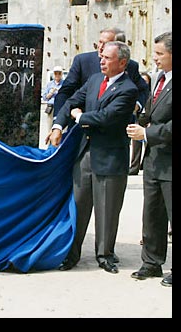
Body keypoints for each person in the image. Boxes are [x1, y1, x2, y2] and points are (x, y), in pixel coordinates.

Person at [45, 41, 138, 274]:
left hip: (109, 158)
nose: (101, 61)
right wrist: (58, 125)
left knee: (107, 209)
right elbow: (71, 101)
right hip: (85, 154)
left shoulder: (128, 89)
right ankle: (71, 253)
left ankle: (105, 255)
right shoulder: (95, 79)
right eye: (102, 57)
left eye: (107, 58)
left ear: (122, 62)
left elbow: (106, 118)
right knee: (78, 205)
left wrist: (80, 117)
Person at [126, 31, 172, 287]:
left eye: (160, 54)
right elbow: (154, 113)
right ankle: (152, 262)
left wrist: (148, 132)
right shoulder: (159, 80)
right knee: (152, 213)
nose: (154, 58)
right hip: (154, 160)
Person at [53, 27, 149, 119]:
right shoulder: (82, 61)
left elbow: (143, 89)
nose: (101, 47)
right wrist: (58, 121)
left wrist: (136, 105)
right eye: (100, 42)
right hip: (81, 125)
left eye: (106, 43)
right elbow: (65, 92)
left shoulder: (130, 65)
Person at [128, 72, 152, 175]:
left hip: (148, 118)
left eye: (146, 81)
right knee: (136, 144)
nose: (144, 83)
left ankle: (145, 165)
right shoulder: (137, 93)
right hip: (138, 117)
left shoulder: (152, 93)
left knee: (149, 143)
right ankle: (134, 167)